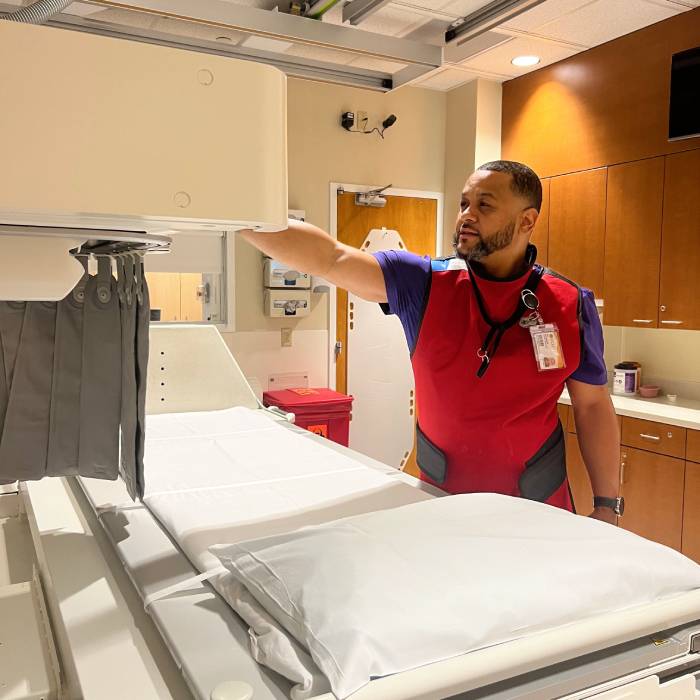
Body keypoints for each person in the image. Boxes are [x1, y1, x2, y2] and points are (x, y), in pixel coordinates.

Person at [241, 160, 622, 524]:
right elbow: (331, 257)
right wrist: (237, 214)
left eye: (484, 205)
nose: (466, 215)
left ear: (527, 220)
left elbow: (592, 405)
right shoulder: (425, 284)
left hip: (538, 504)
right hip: (440, 497)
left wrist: (607, 504)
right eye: (463, 203)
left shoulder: (570, 303)